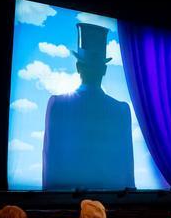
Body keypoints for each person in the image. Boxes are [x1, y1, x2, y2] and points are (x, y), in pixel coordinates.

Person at [42, 23, 135, 190]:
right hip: (113, 204)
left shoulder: (57, 104)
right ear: (104, 70)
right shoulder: (121, 110)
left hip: (64, 203)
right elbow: (127, 168)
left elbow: (50, 160)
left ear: (78, 67)